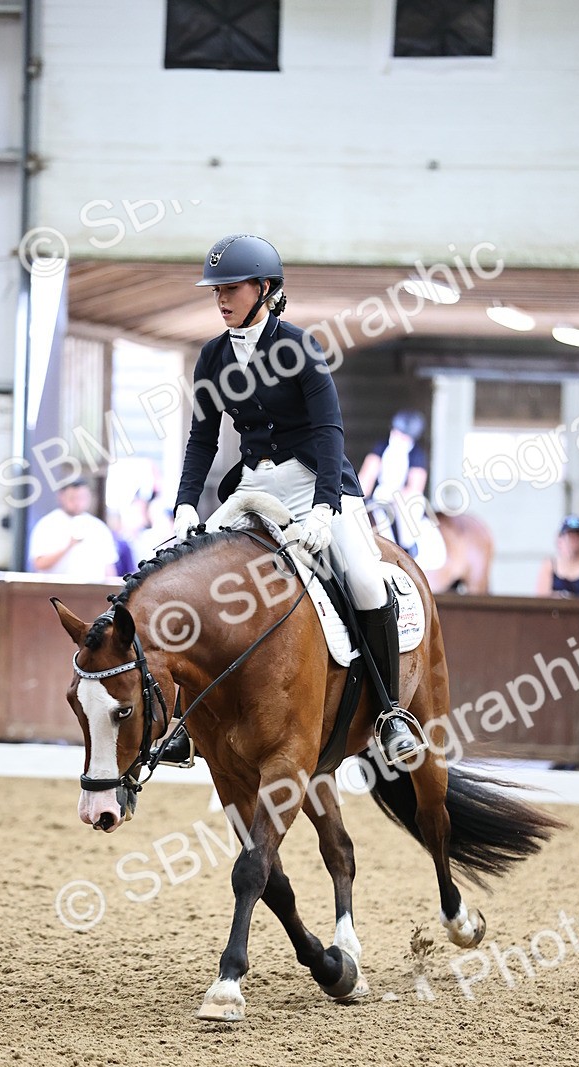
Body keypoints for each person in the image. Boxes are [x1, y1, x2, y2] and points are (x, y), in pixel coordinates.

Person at [170, 233, 423, 764]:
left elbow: (330, 431)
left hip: (316, 483)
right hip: (253, 489)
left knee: (365, 579)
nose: (221, 299)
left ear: (264, 289)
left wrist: (328, 508)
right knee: (195, 583)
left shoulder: (300, 348)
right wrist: (186, 505)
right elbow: (202, 438)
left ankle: (390, 712)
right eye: (216, 289)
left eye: (231, 288)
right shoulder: (212, 357)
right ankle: (183, 720)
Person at [358, 410, 428, 554]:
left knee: (408, 514)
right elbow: (367, 476)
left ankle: (408, 548)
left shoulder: (417, 455)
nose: (397, 437)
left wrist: (394, 497)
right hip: (379, 496)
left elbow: (415, 487)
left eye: (402, 435)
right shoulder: (381, 447)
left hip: (404, 497)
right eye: (395, 432)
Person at [28, 478, 118, 579]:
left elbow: (109, 567)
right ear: (61, 497)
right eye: (73, 498)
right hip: (56, 589)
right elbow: (39, 564)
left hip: (92, 590)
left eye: (82, 498)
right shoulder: (47, 525)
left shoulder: (99, 527)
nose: (78, 502)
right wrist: (69, 546)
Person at [536, 515, 579, 598]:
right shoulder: (549, 564)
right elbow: (541, 598)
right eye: (569, 536)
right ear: (560, 538)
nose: (573, 541)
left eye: (577, 536)